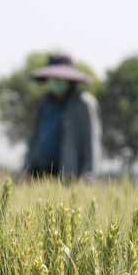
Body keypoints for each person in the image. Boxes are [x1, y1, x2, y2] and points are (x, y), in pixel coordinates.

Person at [23, 53, 101, 181]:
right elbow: (33, 137)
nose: (55, 81)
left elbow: (91, 144)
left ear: (70, 80)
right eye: (52, 77)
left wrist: (89, 177)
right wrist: (26, 169)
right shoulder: (43, 102)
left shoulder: (83, 103)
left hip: (67, 177)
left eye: (59, 78)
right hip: (38, 175)